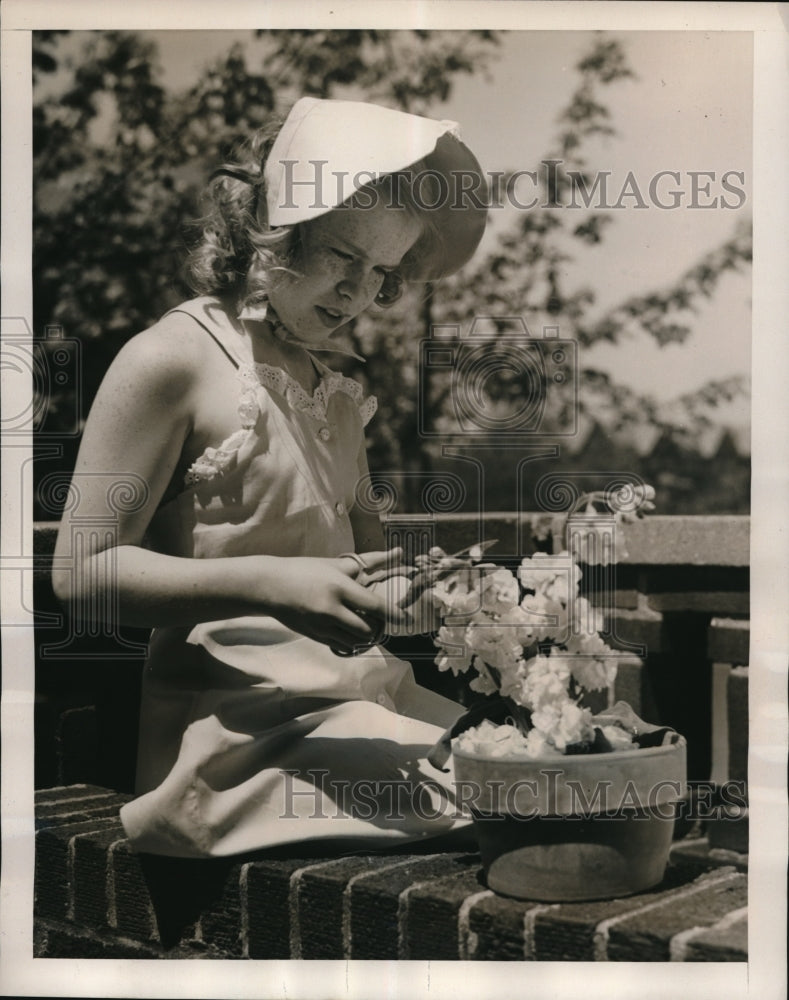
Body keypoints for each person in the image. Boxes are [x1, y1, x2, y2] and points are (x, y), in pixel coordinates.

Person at [53, 97, 488, 858]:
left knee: (546, 767)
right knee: (505, 796)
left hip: (357, 704)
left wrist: (414, 594)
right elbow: (79, 571)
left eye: (383, 272)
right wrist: (273, 584)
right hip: (233, 734)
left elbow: (362, 571)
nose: (359, 293)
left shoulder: (337, 390)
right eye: (343, 257)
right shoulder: (171, 359)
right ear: (274, 227)